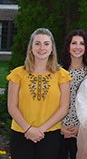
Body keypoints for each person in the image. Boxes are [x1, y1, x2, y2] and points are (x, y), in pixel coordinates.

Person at [7, 28, 71, 159]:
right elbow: (12, 107)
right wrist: (28, 129)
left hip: (50, 134)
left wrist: (41, 130)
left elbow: (64, 108)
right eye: (37, 43)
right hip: (21, 132)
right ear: (31, 48)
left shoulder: (62, 75)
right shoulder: (18, 74)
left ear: (52, 48)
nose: (42, 48)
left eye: (46, 44)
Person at [58, 30, 87, 159]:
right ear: (68, 46)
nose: (77, 47)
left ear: (86, 48)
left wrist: (81, 127)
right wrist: (60, 126)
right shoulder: (57, 71)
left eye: (81, 44)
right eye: (74, 43)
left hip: (83, 130)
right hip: (58, 128)